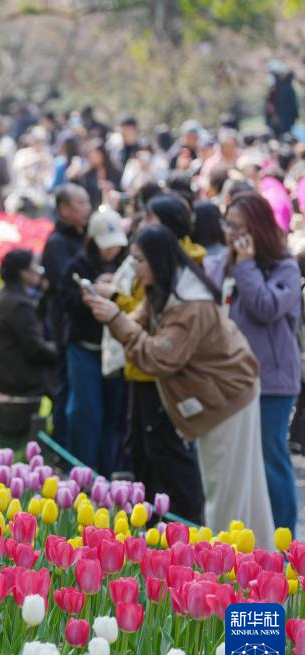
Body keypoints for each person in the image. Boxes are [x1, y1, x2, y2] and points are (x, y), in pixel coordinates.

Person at [85, 226, 275, 546]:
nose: (134, 268)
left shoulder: (190, 303)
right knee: (239, 488)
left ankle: (226, 561)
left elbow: (159, 357)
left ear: (158, 260)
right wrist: (114, 310)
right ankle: (254, 556)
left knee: (225, 489)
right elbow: (139, 323)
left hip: (227, 397)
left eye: (139, 260)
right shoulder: (165, 287)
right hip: (218, 393)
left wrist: (116, 319)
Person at [206, 192, 302, 533]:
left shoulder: (284, 267)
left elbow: (265, 307)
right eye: (228, 225)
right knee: (237, 461)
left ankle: (283, 540)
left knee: (269, 458)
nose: (231, 234)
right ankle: (246, 535)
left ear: (258, 228)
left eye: (239, 227)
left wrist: (246, 266)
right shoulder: (223, 262)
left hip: (272, 380)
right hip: (230, 377)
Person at [59, 208, 127, 475]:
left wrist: (117, 292)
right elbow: (64, 304)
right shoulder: (76, 266)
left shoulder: (126, 266)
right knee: (86, 414)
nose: (111, 251)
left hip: (116, 353)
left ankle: (106, 475)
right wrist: (86, 299)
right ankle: (80, 474)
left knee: (113, 416)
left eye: (115, 245)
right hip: (84, 349)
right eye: (105, 246)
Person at [41, 184, 93, 448]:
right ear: (63, 210)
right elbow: (65, 288)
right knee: (65, 383)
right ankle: (60, 444)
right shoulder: (57, 244)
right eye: (81, 203)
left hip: (78, 325)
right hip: (64, 324)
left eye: (88, 202)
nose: (88, 208)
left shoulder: (82, 235)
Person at [0, 249, 58, 397]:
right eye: (35, 267)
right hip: (19, 379)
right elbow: (35, 348)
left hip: (7, 372)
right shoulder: (18, 304)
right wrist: (62, 349)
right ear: (23, 273)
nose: (39, 272)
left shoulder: (5, 295)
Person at [75, 139, 121, 209]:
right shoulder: (86, 174)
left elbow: (120, 188)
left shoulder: (114, 171)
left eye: (96, 154)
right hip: (93, 207)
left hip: (112, 207)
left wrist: (111, 186)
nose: (94, 157)